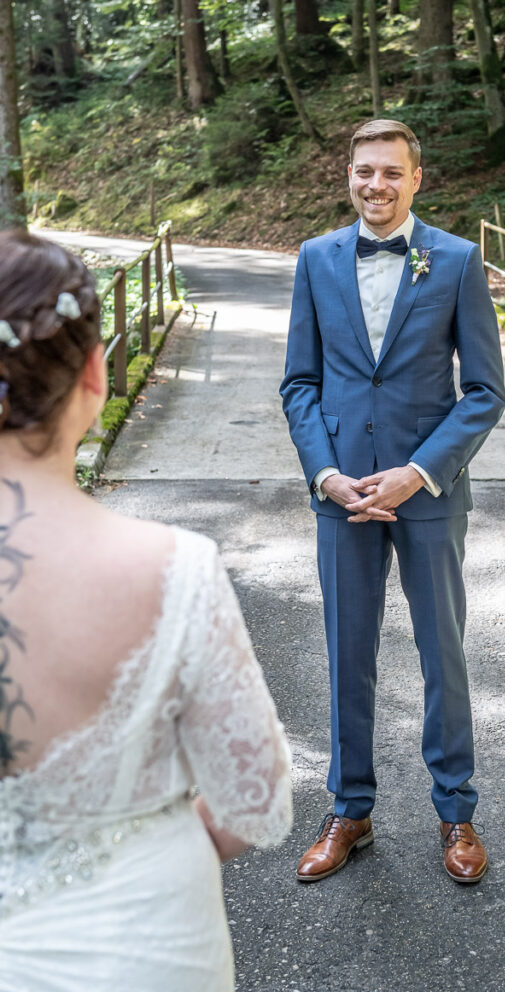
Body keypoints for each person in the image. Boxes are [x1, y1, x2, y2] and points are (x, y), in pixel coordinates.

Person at [0, 232, 292, 990]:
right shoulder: (170, 569)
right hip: (140, 944)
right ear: (94, 373)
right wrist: (135, 840)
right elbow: (252, 802)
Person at [280, 119, 505, 884]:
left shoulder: (455, 260)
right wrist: (325, 474)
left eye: (389, 173)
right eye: (362, 172)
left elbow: (482, 393)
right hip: (341, 491)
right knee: (348, 653)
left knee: (441, 652)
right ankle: (350, 809)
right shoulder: (315, 259)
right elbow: (300, 384)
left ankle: (456, 813)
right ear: (347, 175)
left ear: (417, 179)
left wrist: (416, 472)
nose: (374, 185)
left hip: (428, 491)